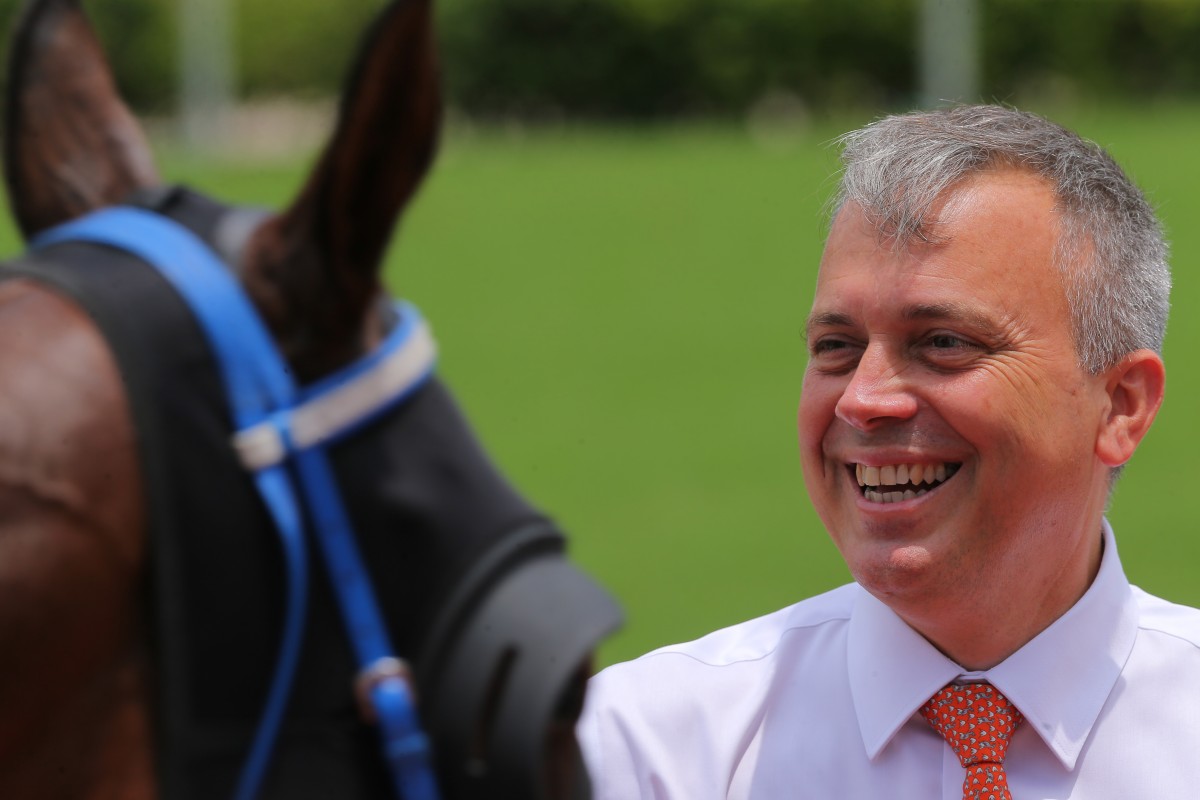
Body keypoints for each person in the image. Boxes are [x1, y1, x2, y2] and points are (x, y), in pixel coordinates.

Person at [578, 104, 1200, 798]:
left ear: (1122, 405)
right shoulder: (644, 752)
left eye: (943, 342)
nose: (862, 400)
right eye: (836, 348)